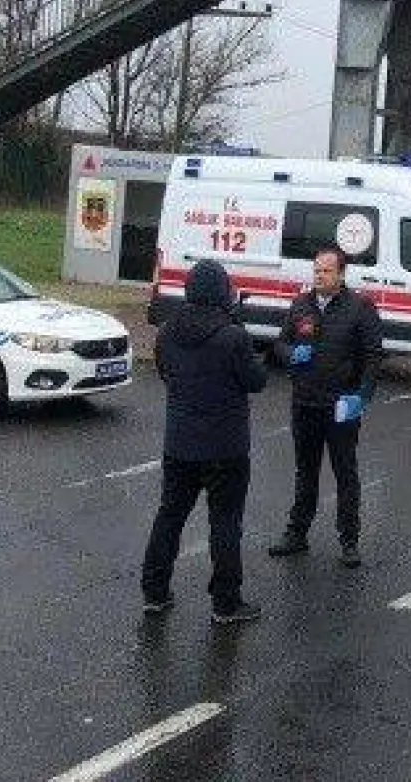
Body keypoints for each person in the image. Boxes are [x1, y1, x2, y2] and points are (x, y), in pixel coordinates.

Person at [140, 258, 267, 625]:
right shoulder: (232, 335)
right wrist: (238, 321)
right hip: (225, 447)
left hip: (179, 443)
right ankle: (225, 603)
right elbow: (256, 380)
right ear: (223, 292)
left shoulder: (167, 331)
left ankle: (154, 591)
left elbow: (166, 374)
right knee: (225, 523)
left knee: (170, 516)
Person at [267, 243, 385, 568]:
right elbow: (280, 343)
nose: (319, 275)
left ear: (342, 273)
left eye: (326, 270)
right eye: (316, 270)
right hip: (305, 403)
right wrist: (290, 354)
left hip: (340, 406)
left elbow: (374, 357)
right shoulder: (301, 304)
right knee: (305, 472)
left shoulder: (360, 307)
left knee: (345, 474)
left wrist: (362, 396)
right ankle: (297, 534)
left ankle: (349, 540)